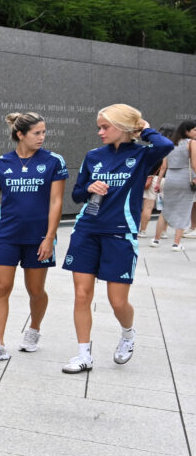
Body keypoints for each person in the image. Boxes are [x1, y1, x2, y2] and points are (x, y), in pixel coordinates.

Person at [61, 104, 173, 373]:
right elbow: (77, 195)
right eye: (99, 126)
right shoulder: (93, 156)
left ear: (123, 127)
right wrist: (89, 187)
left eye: (105, 126)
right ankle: (83, 355)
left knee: (117, 301)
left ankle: (128, 334)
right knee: (81, 295)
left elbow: (166, 144)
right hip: (86, 230)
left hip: (120, 234)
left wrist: (144, 128)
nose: (100, 131)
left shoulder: (143, 154)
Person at [0, 112, 67, 361]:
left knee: (35, 290)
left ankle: (34, 329)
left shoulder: (53, 162)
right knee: (1, 287)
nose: (42, 137)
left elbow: (56, 201)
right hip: (6, 235)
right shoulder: (1, 164)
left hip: (38, 237)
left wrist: (50, 237)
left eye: (43, 132)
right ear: (20, 135)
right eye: (37, 133)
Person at [150, 120, 196, 252]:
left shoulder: (170, 144)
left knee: (165, 210)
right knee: (184, 210)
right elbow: (194, 164)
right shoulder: (192, 143)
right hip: (185, 179)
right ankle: (176, 243)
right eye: (194, 130)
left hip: (170, 177)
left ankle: (156, 239)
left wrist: (158, 182)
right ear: (186, 131)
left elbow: (163, 166)